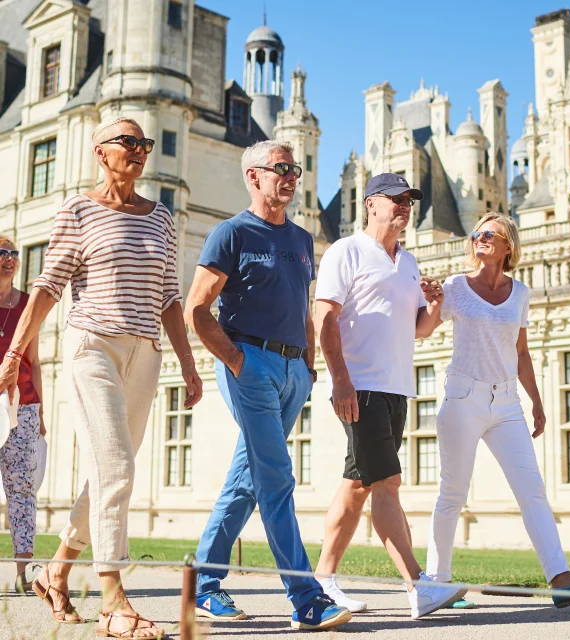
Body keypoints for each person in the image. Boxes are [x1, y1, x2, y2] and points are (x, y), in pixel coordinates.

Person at [0, 117, 202, 637]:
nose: (138, 151)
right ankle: (113, 598)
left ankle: (56, 570)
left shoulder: (161, 217)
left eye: (145, 144)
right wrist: (14, 354)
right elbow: (47, 286)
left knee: (113, 473)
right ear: (100, 152)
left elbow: (170, 297)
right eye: (127, 142)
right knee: (116, 470)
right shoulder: (78, 209)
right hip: (92, 346)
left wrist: (186, 360)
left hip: (146, 353)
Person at [184, 140, 351, 631]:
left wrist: (308, 366)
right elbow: (196, 308)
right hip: (249, 364)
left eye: (294, 169)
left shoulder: (301, 241)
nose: (291, 177)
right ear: (253, 176)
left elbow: (304, 308)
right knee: (277, 477)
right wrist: (238, 361)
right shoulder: (230, 234)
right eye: (281, 169)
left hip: (293, 371)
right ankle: (306, 598)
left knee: (245, 484)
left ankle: (204, 586)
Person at [423, 212, 570, 609]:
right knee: (452, 493)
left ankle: (559, 577)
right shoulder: (456, 287)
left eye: (490, 233)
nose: (480, 238)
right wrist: (434, 303)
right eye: (476, 234)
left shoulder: (520, 293)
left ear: (509, 244)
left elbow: (521, 352)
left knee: (532, 491)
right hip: (463, 398)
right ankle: (436, 583)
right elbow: (422, 330)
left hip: (507, 402)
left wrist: (537, 402)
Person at [313, 173, 466, 619]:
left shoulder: (410, 261)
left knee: (358, 485)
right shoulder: (346, 251)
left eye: (409, 201)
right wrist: (340, 381)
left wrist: (435, 306)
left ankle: (323, 581)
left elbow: (418, 330)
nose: (404, 206)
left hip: (397, 388)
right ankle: (419, 586)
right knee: (387, 482)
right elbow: (324, 317)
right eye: (396, 199)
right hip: (360, 386)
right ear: (371, 204)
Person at [0, 236, 45, 593]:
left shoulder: (29, 304)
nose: (10, 258)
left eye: (14, 253)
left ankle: (23, 573)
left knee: (22, 489)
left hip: (24, 405)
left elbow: (36, 362)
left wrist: (41, 410)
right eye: (2, 253)